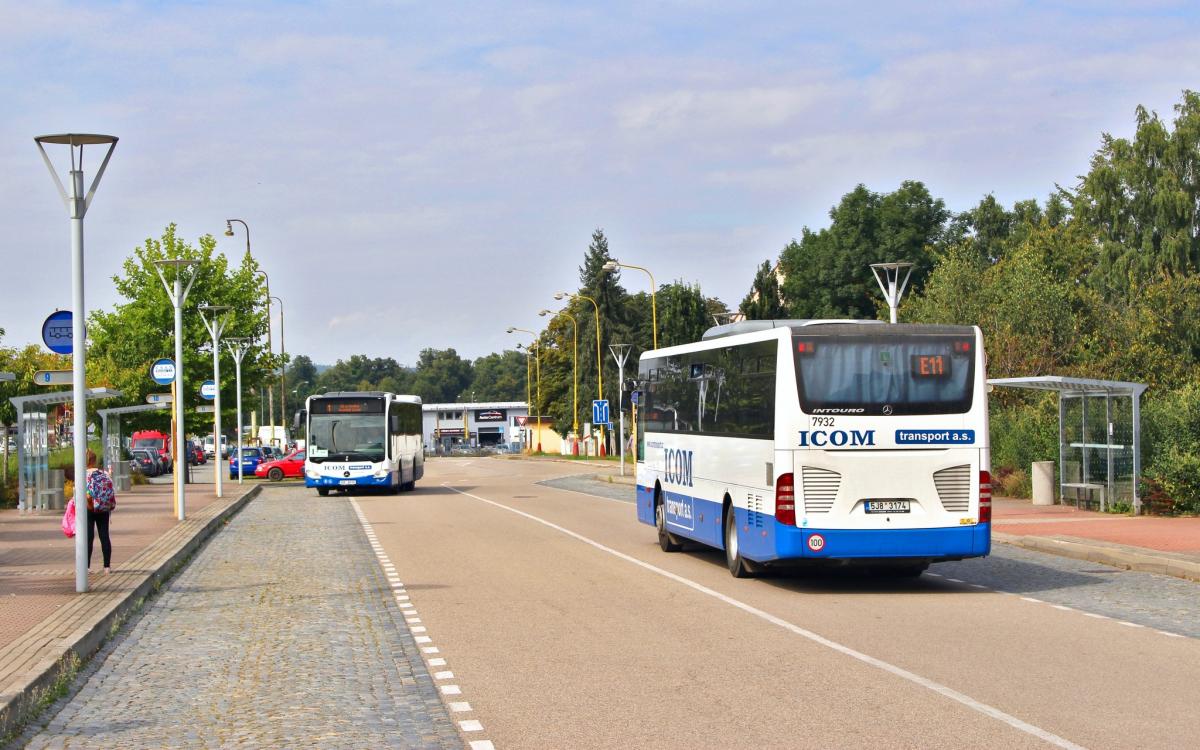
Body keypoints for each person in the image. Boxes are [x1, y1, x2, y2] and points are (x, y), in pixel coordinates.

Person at [84, 449, 117, 575]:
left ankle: (86, 567)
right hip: (103, 508)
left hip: (88, 507)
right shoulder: (103, 473)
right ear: (95, 460)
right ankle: (107, 566)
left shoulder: (83, 475)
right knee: (104, 535)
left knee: (88, 537)